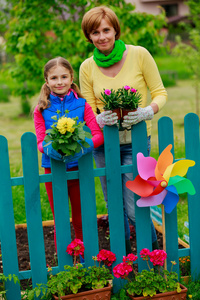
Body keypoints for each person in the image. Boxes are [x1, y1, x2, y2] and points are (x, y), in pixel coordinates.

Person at [79, 6, 167, 253]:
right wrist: (98, 118)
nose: (102, 37)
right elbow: (88, 107)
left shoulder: (139, 55)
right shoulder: (87, 67)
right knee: (114, 207)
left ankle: (153, 260)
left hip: (136, 143)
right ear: (89, 37)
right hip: (104, 147)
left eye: (106, 30)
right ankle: (125, 259)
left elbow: (160, 92)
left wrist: (147, 111)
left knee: (135, 206)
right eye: (95, 32)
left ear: (115, 30)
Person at [34, 57, 104, 249]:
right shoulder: (41, 109)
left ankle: (83, 256)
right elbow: (40, 141)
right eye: (54, 78)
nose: (59, 82)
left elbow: (98, 135)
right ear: (47, 81)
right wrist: (48, 149)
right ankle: (65, 264)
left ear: (71, 77)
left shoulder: (83, 105)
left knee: (81, 218)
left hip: (79, 169)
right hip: (53, 170)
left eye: (64, 77)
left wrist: (83, 148)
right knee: (61, 219)